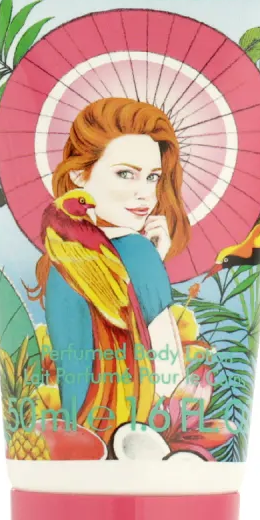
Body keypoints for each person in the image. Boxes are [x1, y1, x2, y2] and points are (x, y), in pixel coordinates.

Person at [27, 97, 192, 438]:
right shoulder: (138, 252)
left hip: (79, 440)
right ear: (78, 174)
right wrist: (152, 269)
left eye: (153, 177)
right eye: (125, 174)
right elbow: (171, 379)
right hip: (135, 439)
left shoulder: (58, 263)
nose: (145, 194)